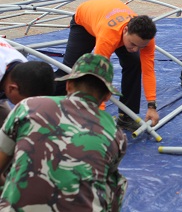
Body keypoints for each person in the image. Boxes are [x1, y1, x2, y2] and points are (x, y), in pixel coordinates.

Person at [0, 53, 127, 211]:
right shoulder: (116, 133)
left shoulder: (27, 106)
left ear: (68, 85)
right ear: (107, 96)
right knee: (114, 181)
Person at [54, 0, 158, 132]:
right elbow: (98, 76)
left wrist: (151, 106)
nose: (135, 49)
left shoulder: (146, 40)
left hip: (107, 18)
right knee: (69, 70)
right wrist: (100, 118)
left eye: (140, 47)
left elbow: (148, 71)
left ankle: (126, 117)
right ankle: (50, 107)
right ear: (126, 30)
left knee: (134, 62)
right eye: (133, 44)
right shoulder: (108, 36)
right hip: (85, 21)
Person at [0, 38, 54, 125]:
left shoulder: (24, 69)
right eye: (24, 104)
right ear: (12, 89)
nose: (27, 109)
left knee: (11, 126)